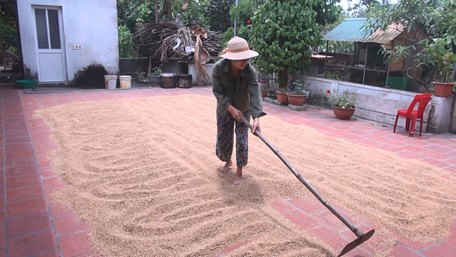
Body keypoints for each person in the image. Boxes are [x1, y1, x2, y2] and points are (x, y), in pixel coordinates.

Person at [212, 36, 266, 185]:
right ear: (230, 59)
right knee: (224, 137)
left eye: (246, 58)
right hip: (224, 109)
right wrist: (230, 108)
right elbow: (217, 92)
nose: (244, 61)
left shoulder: (250, 72)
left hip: (244, 109)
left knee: (242, 140)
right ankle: (228, 161)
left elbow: (255, 93)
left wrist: (256, 118)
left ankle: (239, 172)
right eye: (240, 58)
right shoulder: (218, 69)